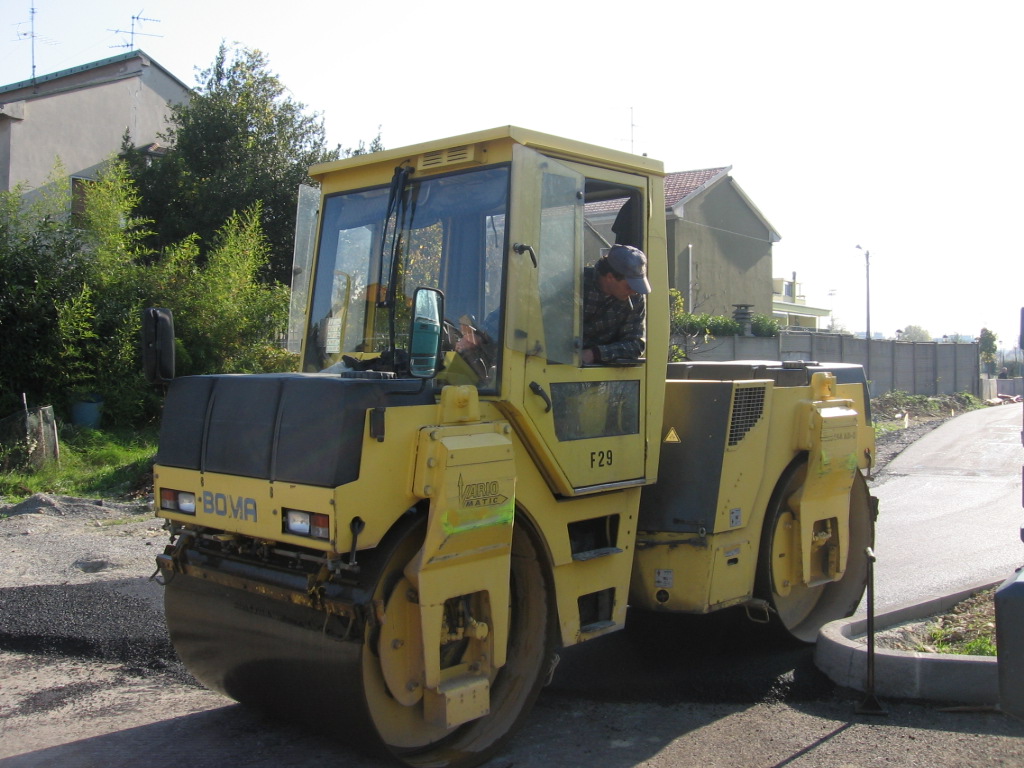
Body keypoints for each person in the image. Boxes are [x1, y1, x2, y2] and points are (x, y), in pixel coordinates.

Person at [581, 244, 652, 364]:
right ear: (610, 277)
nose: (634, 292)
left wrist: (595, 353)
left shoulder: (636, 298)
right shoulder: (575, 284)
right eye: (629, 286)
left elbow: (635, 345)